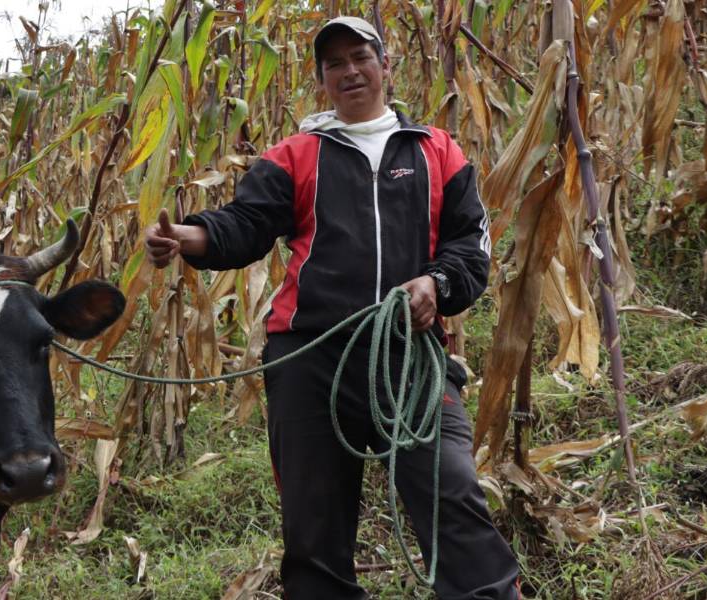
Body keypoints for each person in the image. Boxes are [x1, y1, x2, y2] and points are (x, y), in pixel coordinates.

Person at [143, 15, 521, 600]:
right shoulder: (296, 155)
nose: (350, 71)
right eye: (334, 64)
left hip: (410, 355)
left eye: (361, 57)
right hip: (310, 359)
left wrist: (435, 283)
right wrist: (189, 237)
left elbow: (471, 247)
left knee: (452, 494)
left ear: (385, 65)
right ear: (321, 80)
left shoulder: (436, 151)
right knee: (313, 529)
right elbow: (246, 224)